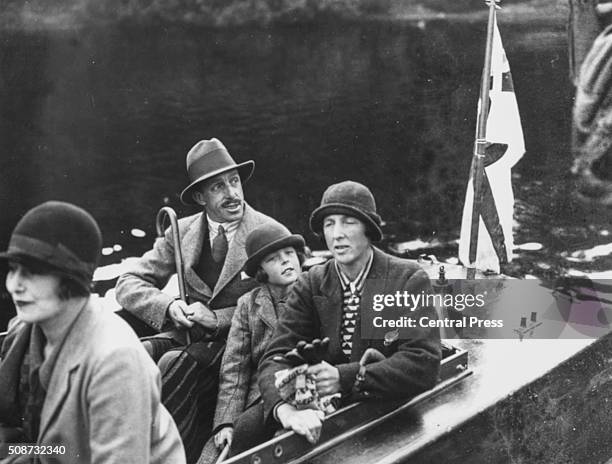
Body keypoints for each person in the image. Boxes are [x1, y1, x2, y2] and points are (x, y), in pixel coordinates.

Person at [115, 138, 279, 463]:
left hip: (239, 346)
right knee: (134, 356)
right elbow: (128, 283)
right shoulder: (181, 231)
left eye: (234, 181)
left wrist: (216, 319)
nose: (233, 193)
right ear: (201, 197)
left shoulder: (269, 234)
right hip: (187, 336)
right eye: (219, 187)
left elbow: (280, 305)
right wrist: (168, 307)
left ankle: (176, 457)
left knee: (175, 365)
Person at [257, 181, 442, 445]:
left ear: (369, 229)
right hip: (320, 411)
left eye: (348, 222)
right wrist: (285, 411)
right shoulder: (311, 283)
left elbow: (422, 363)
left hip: (382, 411)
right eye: (329, 224)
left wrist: (343, 378)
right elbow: (274, 358)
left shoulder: (407, 277)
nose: (337, 234)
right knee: (248, 430)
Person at [0, 201, 185, 464]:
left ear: (70, 278)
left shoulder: (115, 360)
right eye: (12, 270)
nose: (13, 285)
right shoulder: (23, 331)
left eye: (30, 273)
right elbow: (21, 439)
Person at [198, 223, 305, 463]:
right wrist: (225, 422)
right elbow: (235, 368)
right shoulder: (248, 304)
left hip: (303, 386)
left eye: (290, 254)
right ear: (261, 271)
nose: (286, 261)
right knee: (217, 452)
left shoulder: (314, 289)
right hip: (259, 396)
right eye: (274, 258)